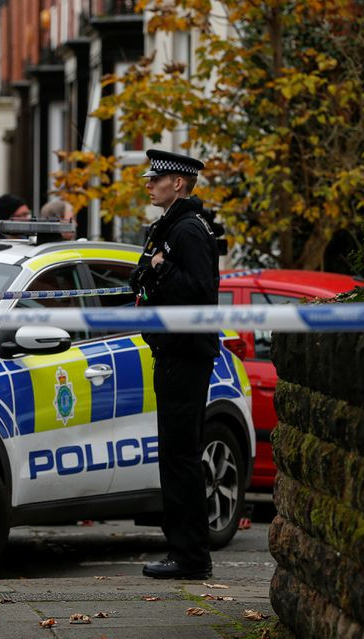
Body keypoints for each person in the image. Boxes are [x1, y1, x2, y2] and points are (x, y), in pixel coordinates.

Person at [130, 149, 220, 580]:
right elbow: (145, 276)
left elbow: (201, 291)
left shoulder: (188, 230)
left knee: (180, 455)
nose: (149, 184)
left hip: (185, 353)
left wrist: (162, 269)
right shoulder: (166, 228)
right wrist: (150, 268)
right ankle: (184, 552)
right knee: (174, 453)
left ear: (178, 184)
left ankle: (189, 556)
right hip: (171, 350)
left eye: (156, 179)